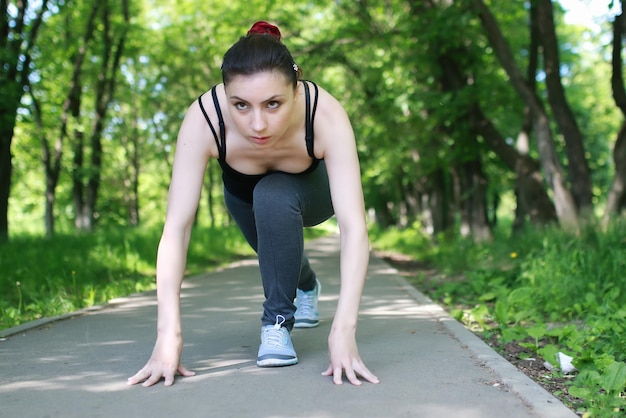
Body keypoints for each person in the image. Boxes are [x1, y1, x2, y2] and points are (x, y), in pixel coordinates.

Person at [127, 21, 379, 387]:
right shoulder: (205, 118)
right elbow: (177, 228)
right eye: (240, 105)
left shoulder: (323, 113)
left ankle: (276, 323)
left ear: (296, 91)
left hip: (313, 193)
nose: (257, 124)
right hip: (243, 197)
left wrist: (344, 331)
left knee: (272, 192)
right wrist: (168, 336)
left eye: (273, 104)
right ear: (225, 93)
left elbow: (354, 228)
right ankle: (306, 285)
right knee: (272, 243)